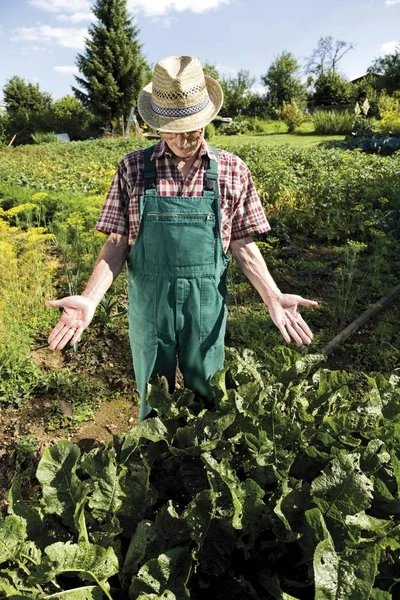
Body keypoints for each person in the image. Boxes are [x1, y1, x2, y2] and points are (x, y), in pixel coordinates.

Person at [46, 55, 318, 421]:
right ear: (156, 124)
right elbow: (116, 242)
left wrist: (272, 296)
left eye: (193, 127)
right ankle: (153, 463)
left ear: (207, 119)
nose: (184, 138)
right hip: (150, 301)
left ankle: (202, 463)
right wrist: (91, 299)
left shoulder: (233, 170)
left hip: (206, 303)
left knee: (209, 387)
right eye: (172, 128)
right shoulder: (133, 167)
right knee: (152, 393)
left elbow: (242, 244)